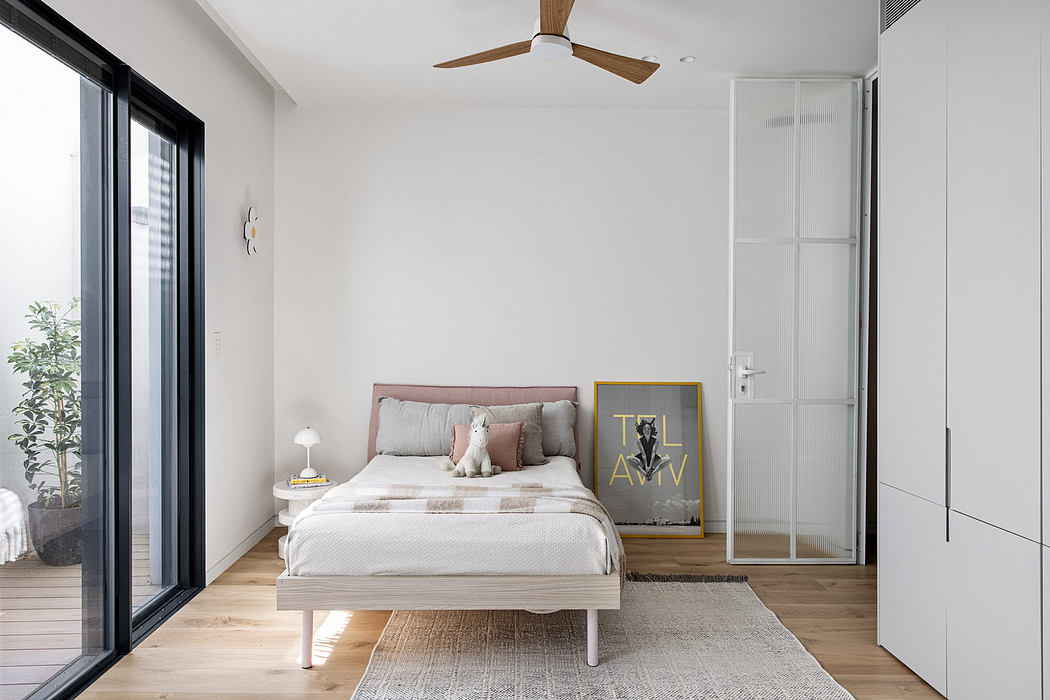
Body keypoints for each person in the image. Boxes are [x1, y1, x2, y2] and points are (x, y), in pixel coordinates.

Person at [625, 418, 671, 482]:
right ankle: (644, 473)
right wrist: (646, 466)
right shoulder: (639, 441)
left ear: (651, 430)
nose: (647, 430)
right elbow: (643, 454)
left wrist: (651, 466)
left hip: (653, 460)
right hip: (642, 461)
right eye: (645, 429)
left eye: (648, 429)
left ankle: (652, 473)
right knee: (628, 458)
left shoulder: (656, 440)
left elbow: (653, 453)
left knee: (668, 459)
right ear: (642, 431)